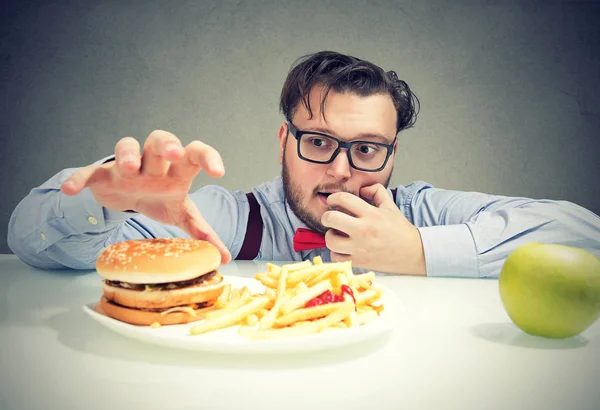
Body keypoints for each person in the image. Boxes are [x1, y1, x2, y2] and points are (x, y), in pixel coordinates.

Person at [7, 51, 600, 278]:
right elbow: (30, 242)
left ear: (393, 157)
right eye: (318, 141)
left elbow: (586, 236)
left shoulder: (421, 211)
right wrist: (104, 203)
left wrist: (418, 252)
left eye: (367, 149)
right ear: (283, 141)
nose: (342, 170)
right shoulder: (231, 224)